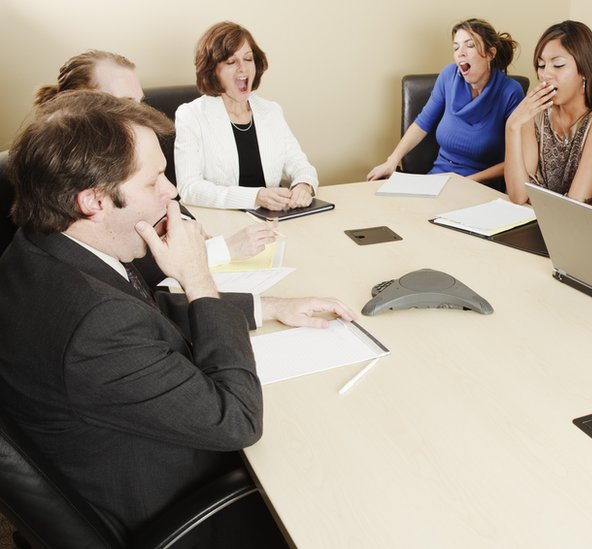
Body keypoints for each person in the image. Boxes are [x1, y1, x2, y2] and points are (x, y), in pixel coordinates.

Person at [0, 90, 356, 541]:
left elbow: (139, 311)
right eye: (154, 182)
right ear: (94, 201)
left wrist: (267, 307)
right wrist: (198, 277)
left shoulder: (40, 248)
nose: (171, 192)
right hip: (176, 502)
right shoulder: (95, 325)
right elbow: (237, 422)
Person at [35, 49, 277, 268]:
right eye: (124, 104)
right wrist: (223, 250)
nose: (140, 116)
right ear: (82, 108)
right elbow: (130, 263)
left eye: (140, 103)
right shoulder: (66, 182)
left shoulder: (136, 149)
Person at [366, 18, 524, 191]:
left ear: (490, 54)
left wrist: (466, 181)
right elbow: (422, 123)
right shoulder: (448, 76)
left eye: (469, 45)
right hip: (438, 180)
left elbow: (515, 159)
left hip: (480, 187)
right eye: (456, 47)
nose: (460, 53)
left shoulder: (510, 92)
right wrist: (392, 161)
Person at [176, 21, 318, 211]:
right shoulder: (191, 115)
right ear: (213, 71)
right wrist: (256, 197)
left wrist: (303, 185)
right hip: (223, 221)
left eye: (248, 58)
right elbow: (189, 188)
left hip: (273, 219)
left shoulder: (271, 111)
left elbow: (300, 165)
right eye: (231, 62)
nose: (243, 69)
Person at [504, 20, 592, 225]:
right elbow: (518, 195)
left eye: (558, 65)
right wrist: (512, 127)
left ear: (584, 71)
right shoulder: (535, 113)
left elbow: (573, 206)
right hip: (544, 225)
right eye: (541, 65)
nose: (545, 74)